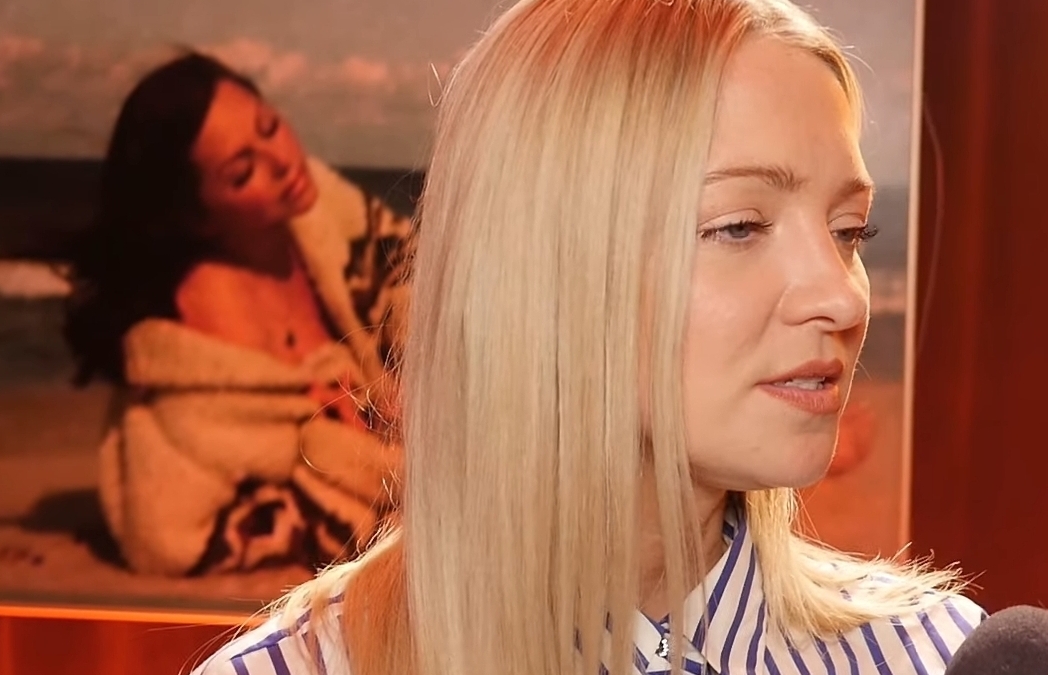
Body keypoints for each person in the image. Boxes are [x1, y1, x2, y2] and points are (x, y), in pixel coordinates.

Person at [194, 0, 985, 673]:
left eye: (851, 230)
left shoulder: (934, 655)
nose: (841, 297)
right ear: (544, 266)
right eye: (740, 226)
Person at [62, 52, 408, 577]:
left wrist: (414, 367)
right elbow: (168, 534)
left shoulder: (321, 209)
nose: (282, 161)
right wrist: (333, 438)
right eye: (242, 173)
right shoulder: (206, 310)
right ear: (199, 217)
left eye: (269, 127)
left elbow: (413, 273)